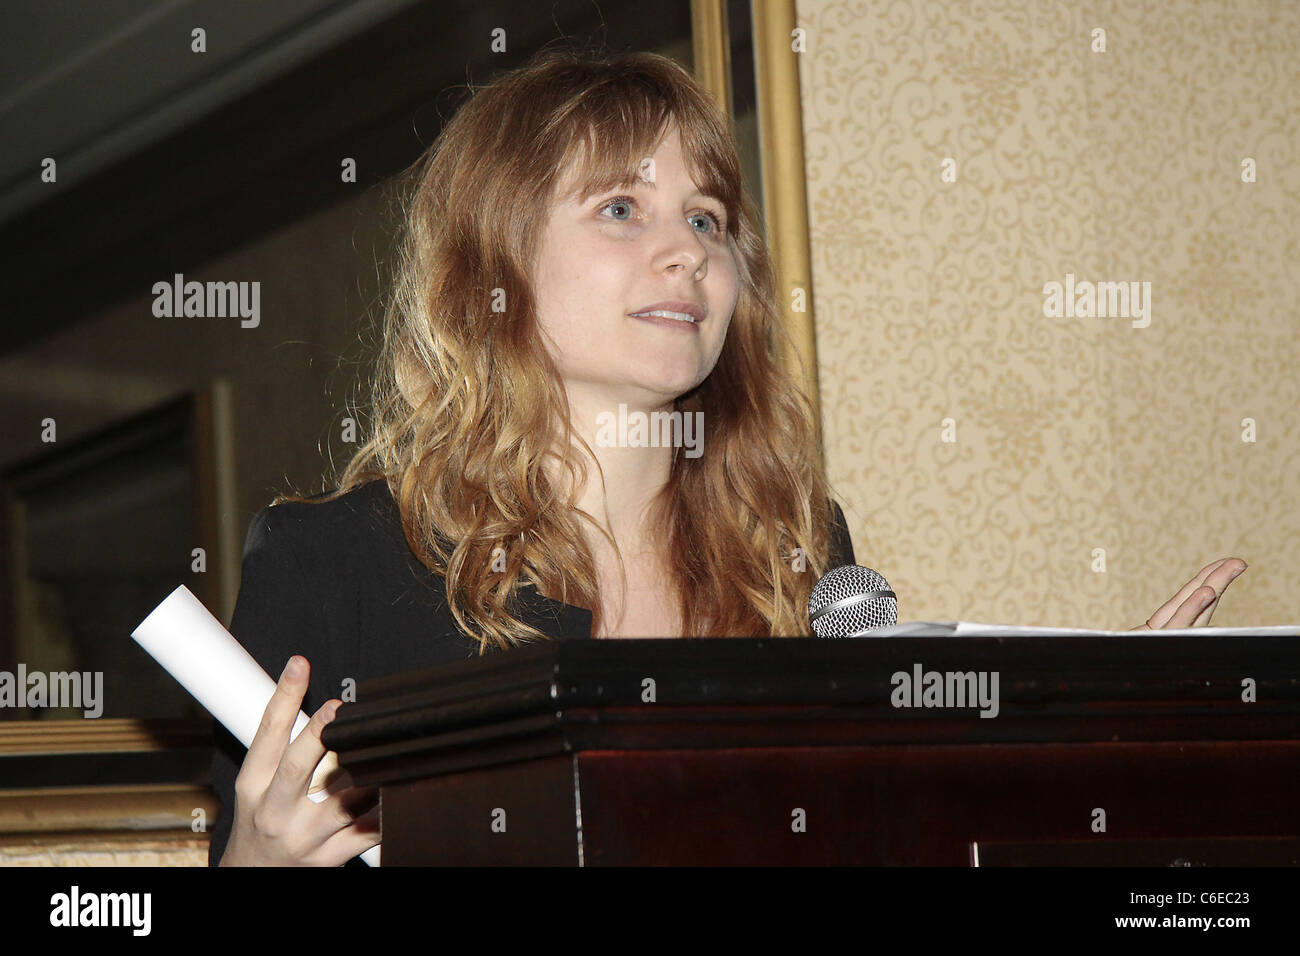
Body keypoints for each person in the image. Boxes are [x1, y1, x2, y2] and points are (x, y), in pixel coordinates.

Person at [210, 47, 1247, 866]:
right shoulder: (333, 560)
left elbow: (886, 825)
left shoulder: (799, 548)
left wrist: (1097, 736)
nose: (690, 251)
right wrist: (255, 866)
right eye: (622, 208)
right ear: (494, 264)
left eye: (706, 218)